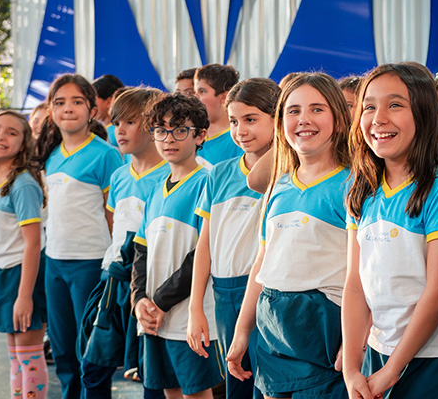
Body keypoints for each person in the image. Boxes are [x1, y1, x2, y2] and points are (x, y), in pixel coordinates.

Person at [342, 63, 438, 399]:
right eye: (369, 106)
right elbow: (355, 284)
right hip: (381, 351)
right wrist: (352, 366)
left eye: (395, 105)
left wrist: (392, 370)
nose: (379, 118)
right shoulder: (361, 190)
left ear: (425, 115)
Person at [226, 73, 351, 398]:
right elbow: (262, 262)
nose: (303, 119)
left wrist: (356, 340)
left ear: (339, 120)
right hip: (273, 323)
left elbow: (364, 274)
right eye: (292, 111)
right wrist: (242, 331)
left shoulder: (353, 185)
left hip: (324, 327)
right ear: (281, 123)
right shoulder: (278, 186)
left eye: (317, 109)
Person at [187, 78, 279, 399]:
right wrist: (196, 307)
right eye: (234, 121)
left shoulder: (284, 171)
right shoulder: (219, 173)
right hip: (223, 293)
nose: (240, 130)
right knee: (235, 382)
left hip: (264, 290)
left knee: (265, 382)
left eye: (251, 119)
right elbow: (204, 245)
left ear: (277, 119)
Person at [35, 74, 124, 399]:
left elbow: (114, 216)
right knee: (61, 350)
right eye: (59, 102)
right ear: (51, 110)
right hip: (54, 264)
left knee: (90, 351)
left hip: (90, 264)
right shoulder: (50, 154)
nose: (67, 109)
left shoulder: (105, 155)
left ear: (91, 109)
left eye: (76, 102)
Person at [131, 93, 224, 399]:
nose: (168, 138)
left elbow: (202, 254)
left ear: (200, 135)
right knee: (170, 389)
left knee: (196, 393)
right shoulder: (156, 189)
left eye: (180, 130)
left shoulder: (209, 181)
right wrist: (139, 300)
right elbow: (141, 252)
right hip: (155, 317)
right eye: (160, 130)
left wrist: (160, 301)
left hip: (188, 316)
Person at [78, 87, 167, 399]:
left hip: (151, 287)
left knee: (151, 375)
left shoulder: (171, 175)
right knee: (93, 367)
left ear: (153, 124)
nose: (120, 130)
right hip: (114, 284)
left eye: (129, 122)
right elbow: (115, 226)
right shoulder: (118, 175)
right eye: (116, 123)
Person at [0, 110, 48, 399]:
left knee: (28, 356)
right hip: (3, 274)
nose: (1, 137)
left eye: (11, 132)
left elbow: (32, 243)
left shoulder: (23, 184)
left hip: (22, 276)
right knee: (15, 355)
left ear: (24, 142)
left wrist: (24, 295)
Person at [194, 64, 243, 169]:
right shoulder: (191, 134)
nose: (195, 98)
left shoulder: (240, 139)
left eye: (202, 91)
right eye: (195, 92)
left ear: (224, 96)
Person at [93, 74, 125, 147]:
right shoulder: (104, 131)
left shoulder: (115, 133)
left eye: (94, 100)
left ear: (109, 101)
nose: (91, 106)